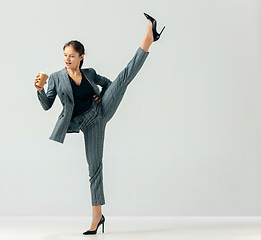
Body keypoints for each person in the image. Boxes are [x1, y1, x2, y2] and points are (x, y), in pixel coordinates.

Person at [34, 12, 165, 235]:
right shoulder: (56, 78)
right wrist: (39, 89)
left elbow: (110, 84)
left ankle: (148, 39)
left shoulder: (89, 73)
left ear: (81, 57)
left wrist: (101, 96)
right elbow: (47, 105)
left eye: (72, 56)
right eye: (65, 55)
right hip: (89, 125)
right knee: (94, 168)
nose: (67, 59)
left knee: (124, 78)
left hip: (102, 109)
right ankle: (97, 216)